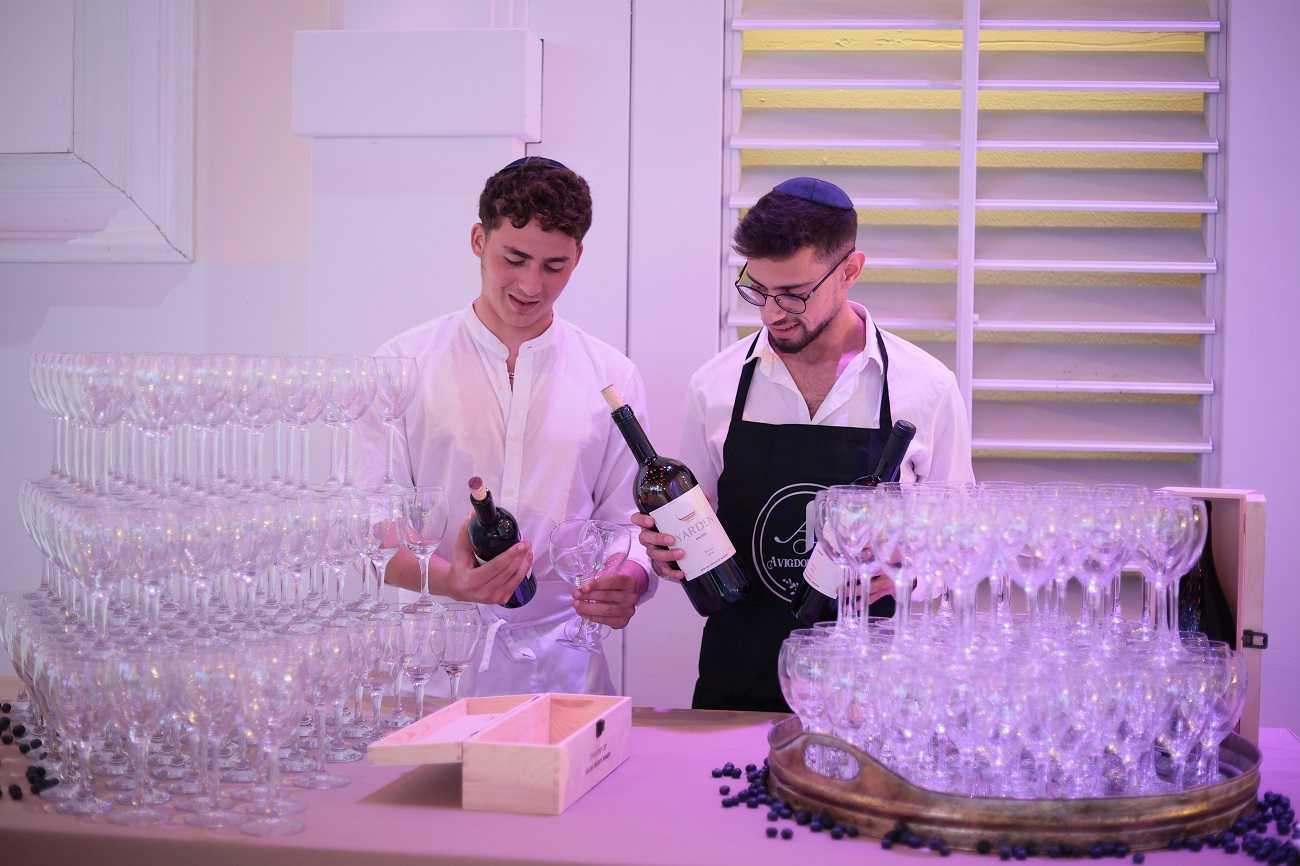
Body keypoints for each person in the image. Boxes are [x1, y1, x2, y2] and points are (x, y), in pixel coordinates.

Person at [632, 177, 974, 711]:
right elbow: (692, 532)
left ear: (850, 271)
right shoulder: (715, 386)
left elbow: (961, 547)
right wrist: (665, 555)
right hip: (737, 684)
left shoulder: (926, 388)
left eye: (793, 294)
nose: (772, 312)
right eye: (758, 290)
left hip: (871, 699)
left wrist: (907, 576)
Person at [356, 156, 654, 697]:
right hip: (433, 672)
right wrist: (453, 581)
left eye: (554, 266)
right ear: (478, 240)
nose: (531, 285)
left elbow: (628, 525)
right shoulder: (402, 365)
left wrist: (628, 580)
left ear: (578, 257)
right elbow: (368, 533)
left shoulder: (612, 377)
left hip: (567, 673)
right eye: (514, 259)